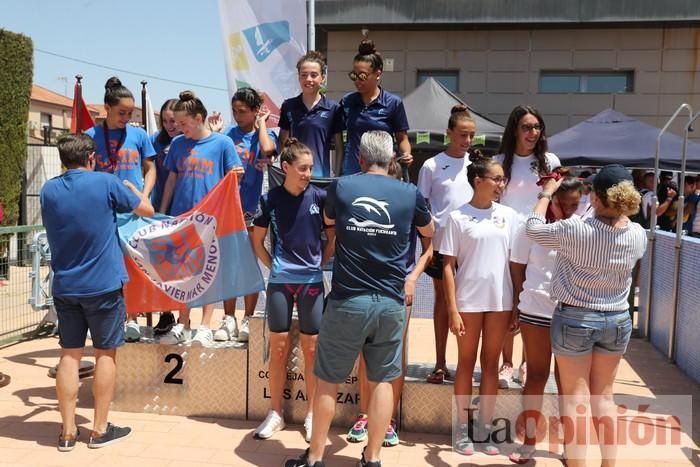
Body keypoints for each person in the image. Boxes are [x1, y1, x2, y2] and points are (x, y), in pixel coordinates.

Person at [285, 131, 434, 467]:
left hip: (348, 300)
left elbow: (329, 225)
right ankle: (373, 458)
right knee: (382, 379)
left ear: (361, 159)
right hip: (391, 302)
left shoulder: (342, 187)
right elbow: (430, 238)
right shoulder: (410, 194)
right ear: (392, 159)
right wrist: (412, 276)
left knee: (328, 379)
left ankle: (316, 458)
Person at [526, 164, 646, 466]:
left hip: (576, 319)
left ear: (596, 198)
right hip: (617, 320)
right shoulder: (637, 234)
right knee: (604, 398)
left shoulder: (575, 229)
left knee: (576, 400)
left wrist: (545, 193)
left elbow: (532, 228)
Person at [41, 134, 154, 451]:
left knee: (69, 354)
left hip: (65, 286)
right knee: (105, 354)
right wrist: (132, 190)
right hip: (103, 285)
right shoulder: (106, 183)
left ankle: (66, 433)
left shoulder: (49, 190)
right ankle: (100, 430)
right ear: (91, 158)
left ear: (63, 160)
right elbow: (147, 209)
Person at [250, 139, 335, 441]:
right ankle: (276, 413)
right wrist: (274, 266)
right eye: (302, 168)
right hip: (280, 282)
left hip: (311, 282)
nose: (308, 173)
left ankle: (312, 415)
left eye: (311, 168)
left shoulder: (321, 197)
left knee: (312, 349)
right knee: (279, 346)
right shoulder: (269, 199)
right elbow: (257, 240)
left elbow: (332, 238)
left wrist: (317, 265)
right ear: (285, 168)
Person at [347, 159, 434, 448]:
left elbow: (429, 245)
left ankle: (388, 419)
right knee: (364, 351)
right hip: (366, 285)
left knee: (393, 355)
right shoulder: (366, 201)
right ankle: (365, 414)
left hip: (398, 289)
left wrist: (412, 279)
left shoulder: (410, 202)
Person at [442, 152, 519, 457]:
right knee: (465, 362)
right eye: (497, 178)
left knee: (491, 364)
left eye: (503, 179)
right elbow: (447, 266)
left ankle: (485, 430)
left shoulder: (508, 216)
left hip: (500, 302)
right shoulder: (457, 217)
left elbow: (515, 263)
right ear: (479, 181)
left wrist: (515, 304)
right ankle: (462, 429)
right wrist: (452, 309)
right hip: (468, 303)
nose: (502, 184)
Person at [157, 91, 243, 346]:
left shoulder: (222, 143)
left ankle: (206, 325)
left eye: (183, 123)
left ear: (198, 118)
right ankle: (183, 324)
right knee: (183, 275)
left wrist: (235, 175)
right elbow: (172, 177)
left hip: (210, 220)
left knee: (208, 274)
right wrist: (164, 211)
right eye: (177, 123)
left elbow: (233, 176)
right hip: (182, 218)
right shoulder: (179, 145)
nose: (179, 128)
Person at [508, 175, 583, 464]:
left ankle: (569, 445)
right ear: (552, 200)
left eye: (576, 204)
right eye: (566, 204)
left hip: (571, 311)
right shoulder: (531, 226)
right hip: (536, 310)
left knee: (568, 382)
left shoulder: (584, 226)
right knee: (537, 376)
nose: (572, 210)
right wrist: (518, 301)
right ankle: (528, 442)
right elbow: (517, 266)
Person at [85, 76, 157, 342]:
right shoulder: (90, 136)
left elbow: (151, 169)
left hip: (135, 211)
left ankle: (134, 318)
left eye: (130, 113)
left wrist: (144, 196)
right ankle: (117, 318)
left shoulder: (138, 135)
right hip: (102, 214)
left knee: (135, 265)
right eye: (122, 113)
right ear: (107, 108)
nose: (127, 118)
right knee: (110, 268)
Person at [494, 105, 561, 389]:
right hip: (506, 241)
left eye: (537, 127)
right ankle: (506, 362)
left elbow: (559, 201)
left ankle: (525, 363)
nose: (533, 133)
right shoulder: (499, 161)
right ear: (514, 130)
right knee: (508, 300)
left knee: (530, 302)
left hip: (539, 243)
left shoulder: (549, 161)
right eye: (526, 127)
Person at [416, 104, 475, 386]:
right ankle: (440, 363)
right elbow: (421, 205)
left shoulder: (477, 165)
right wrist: (428, 241)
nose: (467, 141)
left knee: (470, 305)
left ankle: (466, 365)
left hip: (472, 246)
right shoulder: (431, 165)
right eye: (462, 135)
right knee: (443, 302)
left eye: (472, 135)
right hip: (441, 245)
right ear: (449, 133)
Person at [216, 88, 277, 344]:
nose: (238, 116)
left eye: (243, 112)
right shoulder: (228, 135)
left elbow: (269, 150)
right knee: (230, 264)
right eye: (235, 111)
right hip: (230, 208)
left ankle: (248, 318)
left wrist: (262, 124)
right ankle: (228, 317)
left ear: (255, 111)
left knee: (251, 263)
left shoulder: (267, 133)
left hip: (257, 208)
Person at [338, 39, 411, 176]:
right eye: (354, 75)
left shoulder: (393, 103)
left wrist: (406, 154)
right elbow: (335, 136)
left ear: (378, 74)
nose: (357, 81)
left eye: (363, 76)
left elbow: (402, 139)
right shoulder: (347, 101)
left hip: (382, 174)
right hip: (351, 174)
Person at [278, 51, 343, 177]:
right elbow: (282, 142)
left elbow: (340, 148)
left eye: (314, 75)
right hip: (294, 177)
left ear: (322, 77)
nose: (308, 79)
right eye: (304, 75)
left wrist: (338, 175)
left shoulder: (333, 108)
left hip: (321, 178)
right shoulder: (288, 106)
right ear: (299, 77)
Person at [149, 98, 181, 336]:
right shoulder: (154, 142)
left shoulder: (189, 141)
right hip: (159, 210)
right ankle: (165, 313)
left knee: (184, 268)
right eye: (166, 120)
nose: (170, 125)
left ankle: (184, 317)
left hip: (183, 210)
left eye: (174, 120)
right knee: (162, 266)